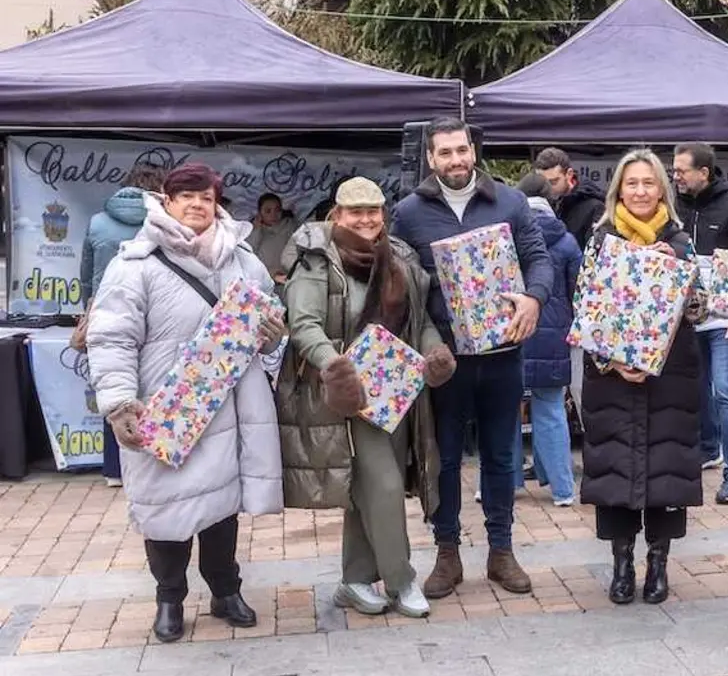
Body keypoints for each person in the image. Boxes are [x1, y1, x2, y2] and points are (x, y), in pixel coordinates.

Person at [86, 163, 286, 643]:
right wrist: (118, 402)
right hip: (167, 408)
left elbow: (270, 314)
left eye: (207, 197)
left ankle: (225, 590)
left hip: (231, 404)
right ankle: (169, 598)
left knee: (222, 507)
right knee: (166, 509)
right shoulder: (133, 264)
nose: (198, 205)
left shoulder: (242, 259)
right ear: (166, 201)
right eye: (187, 197)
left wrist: (272, 336)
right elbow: (112, 337)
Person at [278, 177, 457, 618]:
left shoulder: (399, 257)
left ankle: (355, 580)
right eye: (355, 212)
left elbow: (417, 322)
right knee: (387, 487)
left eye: (373, 211)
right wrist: (334, 366)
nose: (365, 219)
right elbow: (302, 325)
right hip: (345, 397)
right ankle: (401, 581)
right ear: (336, 215)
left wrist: (434, 351)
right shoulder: (317, 261)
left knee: (370, 491)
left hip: (395, 395)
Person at [392, 117, 553, 599]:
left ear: (473, 151)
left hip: (503, 354)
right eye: (445, 153)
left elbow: (538, 258)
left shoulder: (510, 202)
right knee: (441, 459)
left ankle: (501, 550)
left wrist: (534, 298)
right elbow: (401, 280)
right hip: (445, 361)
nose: (456, 160)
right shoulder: (409, 212)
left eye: (462, 150)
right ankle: (447, 553)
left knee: (502, 456)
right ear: (430, 158)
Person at [578, 149, 705, 605]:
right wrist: (613, 362)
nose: (640, 191)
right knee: (615, 470)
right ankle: (621, 563)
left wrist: (679, 273)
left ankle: (658, 563)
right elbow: (584, 309)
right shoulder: (600, 240)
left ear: (662, 188)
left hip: (670, 377)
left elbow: (699, 309)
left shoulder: (681, 240)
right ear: (618, 190)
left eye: (649, 183)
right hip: (613, 380)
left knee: (665, 472)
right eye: (631, 183)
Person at [78, 162, 166, 489]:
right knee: (148, 382)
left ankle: (113, 469)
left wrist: (89, 309)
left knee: (113, 384)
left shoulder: (97, 222)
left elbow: (85, 273)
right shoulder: (160, 222)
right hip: (152, 311)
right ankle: (150, 457)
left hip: (104, 308)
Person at [673, 142, 728, 504]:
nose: (675, 176)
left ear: (703, 173)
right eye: (673, 170)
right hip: (687, 318)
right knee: (696, 388)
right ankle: (708, 448)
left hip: (723, 320)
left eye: (681, 171)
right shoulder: (673, 207)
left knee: (725, 390)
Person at [511, 172, 582, 507]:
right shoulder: (567, 242)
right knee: (551, 408)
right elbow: (578, 293)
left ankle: (501, 483)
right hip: (555, 336)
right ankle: (563, 489)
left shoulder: (507, 236)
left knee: (504, 411)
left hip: (513, 332)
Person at [535, 147, 606, 251]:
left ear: (569, 174)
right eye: (542, 182)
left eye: (553, 182)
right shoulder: (538, 204)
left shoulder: (594, 207)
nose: (547, 188)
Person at [246, 192, 302, 285]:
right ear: (260, 213)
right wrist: (257, 230)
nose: (273, 215)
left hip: (291, 280)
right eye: (268, 211)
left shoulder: (291, 227)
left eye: (277, 210)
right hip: (264, 283)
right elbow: (249, 258)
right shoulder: (252, 232)